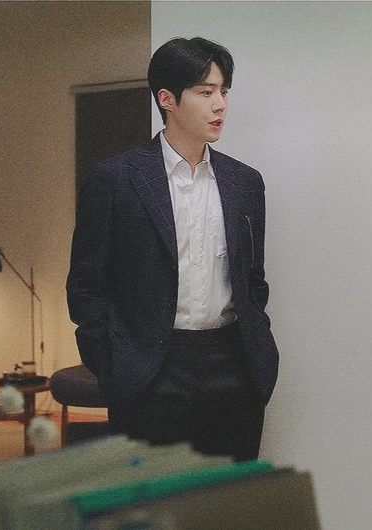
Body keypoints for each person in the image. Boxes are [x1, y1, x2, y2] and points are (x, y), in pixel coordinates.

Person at [67, 37, 278, 462]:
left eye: (224, 91)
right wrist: (114, 366)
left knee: (229, 495)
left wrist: (256, 353)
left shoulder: (245, 182)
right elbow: (86, 287)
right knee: (155, 496)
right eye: (205, 92)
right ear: (167, 99)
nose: (220, 105)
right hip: (150, 370)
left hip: (232, 367)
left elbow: (252, 280)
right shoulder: (115, 179)